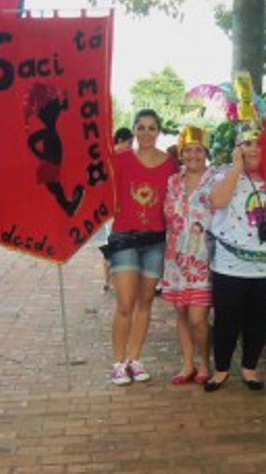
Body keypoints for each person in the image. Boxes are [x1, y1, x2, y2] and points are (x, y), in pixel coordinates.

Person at [203, 124, 266, 392]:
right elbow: (216, 201)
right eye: (246, 143)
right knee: (226, 319)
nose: (253, 149)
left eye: (258, 143)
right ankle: (221, 370)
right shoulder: (222, 174)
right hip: (231, 266)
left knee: (258, 320)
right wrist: (236, 168)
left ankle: (250, 369)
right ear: (237, 147)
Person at [105, 110, 178, 385]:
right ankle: (117, 362)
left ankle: (134, 359)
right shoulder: (120, 159)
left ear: (158, 131)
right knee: (125, 303)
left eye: (151, 128)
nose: (146, 132)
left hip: (155, 241)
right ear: (134, 130)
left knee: (145, 303)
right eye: (141, 127)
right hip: (124, 238)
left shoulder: (170, 164)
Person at [160, 126, 214, 385]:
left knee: (197, 316)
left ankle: (205, 362)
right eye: (188, 150)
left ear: (206, 153)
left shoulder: (216, 178)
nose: (193, 155)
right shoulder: (173, 180)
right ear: (181, 154)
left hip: (204, 259)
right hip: (175, 257)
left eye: (198, 150)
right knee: (181, 312)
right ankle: (187, 364)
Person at [96, 128, 134, 295]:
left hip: (125, 210)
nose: (131, 147)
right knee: (111, 247)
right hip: (112, 210)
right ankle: (107, 282)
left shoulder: (128, 159)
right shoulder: (109, 158)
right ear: (119, 140)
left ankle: (115, 282)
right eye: (129, 143)